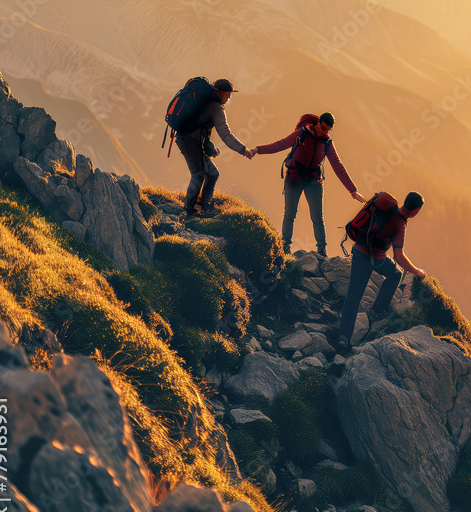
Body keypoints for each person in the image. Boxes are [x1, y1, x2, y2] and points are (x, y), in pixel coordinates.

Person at [249, 112, 365, 256]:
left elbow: (338, 166)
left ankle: (322, 250)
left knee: (318, 217)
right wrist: (257, 150)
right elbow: (280, 144)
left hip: (313, 180)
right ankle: (285, 247)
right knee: (289, 214)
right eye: (323, 128)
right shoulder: (302, 133)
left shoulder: (327, 142)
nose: (324, 132)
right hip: (294, 177)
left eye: (327, 130)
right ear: (318, 123)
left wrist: (352, 190)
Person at [338, 191, 427, 351]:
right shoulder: (400, 224)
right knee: (396, 274)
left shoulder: (386, 203)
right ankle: (377, 311)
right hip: (376, 259)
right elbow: (399, 257)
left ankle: (343, 338)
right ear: (415, 211)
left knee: (353, 296)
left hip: (358, 251)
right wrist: (416, 271)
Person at [176, 78, 252, 216]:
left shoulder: (207, 102)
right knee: (198, 175)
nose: (229, 98)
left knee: (213, 174)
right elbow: (226, 135)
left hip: (190, 140)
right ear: (221, 92)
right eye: (228, 95)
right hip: (189, 142)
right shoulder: (216, 107)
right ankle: (189, 210)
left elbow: (200, 128)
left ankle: (204, 204)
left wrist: (209, 147)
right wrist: (243, 150)